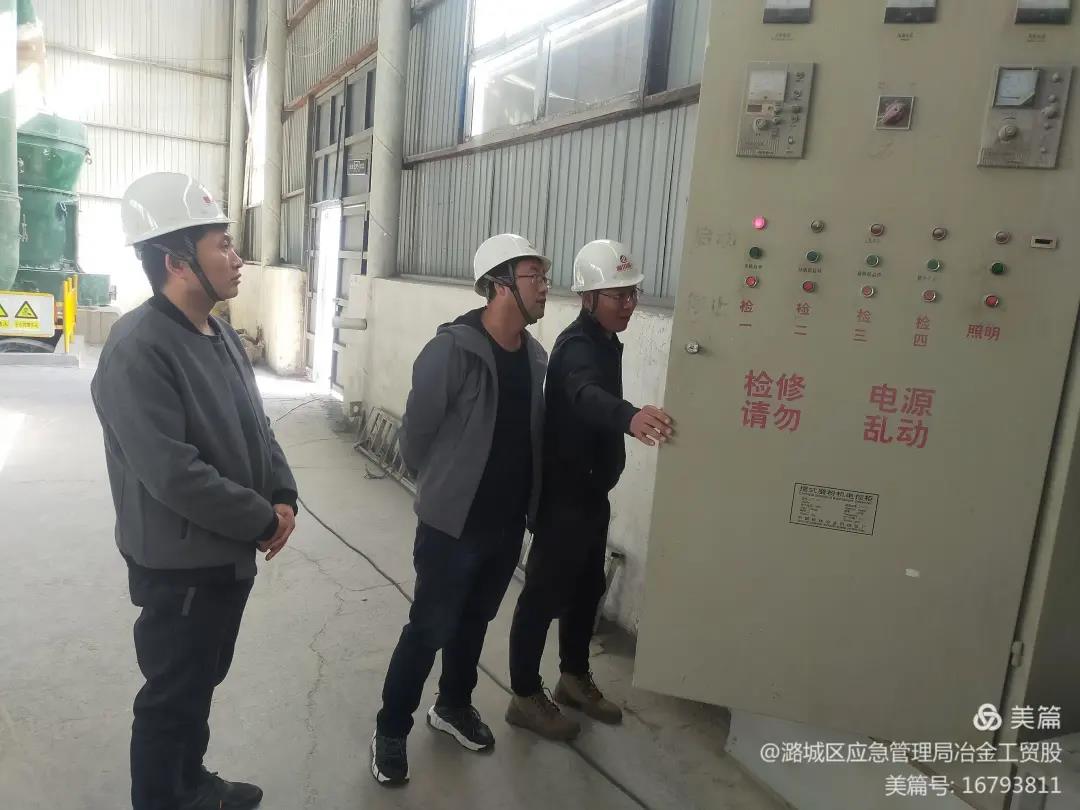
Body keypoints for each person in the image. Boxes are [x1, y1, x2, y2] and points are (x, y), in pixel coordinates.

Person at [91, 172, 298, 810]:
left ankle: (190, 783)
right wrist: (260, 520)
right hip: (178, 564)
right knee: (172, 694)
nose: (237, 258)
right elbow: (173, 473)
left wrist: (283, 493)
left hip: (224, 555)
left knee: (200, 681)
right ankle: (163, 797)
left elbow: (257, 425)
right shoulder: (137, 348)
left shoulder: (220, 332)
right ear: (177, 261)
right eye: (222, 245)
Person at [370, 233, 550, 786]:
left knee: (474, 622)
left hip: (506, 524)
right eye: (534, 277)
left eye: (544, 277)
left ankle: (452, 705)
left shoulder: (535, 358)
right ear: (499, 285)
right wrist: (442, 489)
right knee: (429, 627)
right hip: (452, 526)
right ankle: (390, 731)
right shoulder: (453, 350)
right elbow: (416, 434)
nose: (545, 287)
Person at [505, 239, 673, 741]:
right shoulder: (577, 346)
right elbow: (584, 394)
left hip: (591, 493)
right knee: (543, 595)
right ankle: (524, 695)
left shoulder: (604, 340)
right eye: (618, 295)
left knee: (585, 590)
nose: (629, 304)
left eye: (632, 294)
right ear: (588, 297)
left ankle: (573, 677)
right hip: (563, 497)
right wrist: (630, 417)